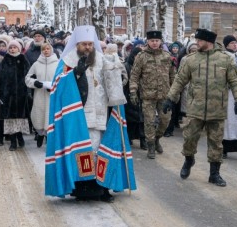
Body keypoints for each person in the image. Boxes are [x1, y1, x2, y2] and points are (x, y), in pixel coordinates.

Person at [45, 25, 133, 202]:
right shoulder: (67, 61)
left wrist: (116, 69)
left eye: (90, 44)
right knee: (82, 150)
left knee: (102, 150)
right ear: (77, 44)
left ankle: (102, 187)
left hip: (102, 113)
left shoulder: (102, 59)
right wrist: (75, 74)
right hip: (77, 116)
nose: (87, 47)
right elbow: (57, 86)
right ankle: (82, 187)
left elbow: (118, 80)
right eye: (84, 44)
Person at [164, 29, 237, 187]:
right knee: (189, 139)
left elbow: (235, 80)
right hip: (195, 108)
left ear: (208, 42)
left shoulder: (225, 59)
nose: (196, 43)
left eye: (199, 40)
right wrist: (170, 98)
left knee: (216, 143)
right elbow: (179, 80)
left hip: (217, 108)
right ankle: (188, 160)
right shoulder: (190, 60)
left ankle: (214, 174)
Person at [129, 30, 175, 160]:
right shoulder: (141, 56)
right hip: (148, 96)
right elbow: (134, 76)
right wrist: (133, 91)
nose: (154, 43)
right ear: (147, 41)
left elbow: (173, 75)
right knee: (149, 122)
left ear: (160, 42)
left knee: (165, 120)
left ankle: (157, 139)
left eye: (157, 41)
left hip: (164, 95)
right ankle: (150, 146)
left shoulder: (167, 56)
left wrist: (174, 92)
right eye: (152, 41)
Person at [0, 39, 32, 151]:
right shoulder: (5, 60)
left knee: (20, 118)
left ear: (18, 48)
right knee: (10, 119)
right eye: (10, 48)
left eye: (14, 47)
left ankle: (20, 137)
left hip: (21, 94)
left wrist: (28, 91)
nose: (12, 49)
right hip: (8, 95)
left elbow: (28, 76)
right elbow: (0, 78)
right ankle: (13, 141)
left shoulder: (23, 59)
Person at [25, 41, 59, 147]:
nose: (46, 51)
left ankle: (49, 137)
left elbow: (61, 79)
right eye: (44, 49)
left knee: (50, 115)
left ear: (51, 50)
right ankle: (40, 134)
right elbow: (27, 78)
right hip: (39, 95)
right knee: (38, 115)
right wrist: (35, 83)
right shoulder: (36, 64)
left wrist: (54, 86)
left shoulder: (57, 64)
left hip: (52, 95)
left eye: (48, 49)